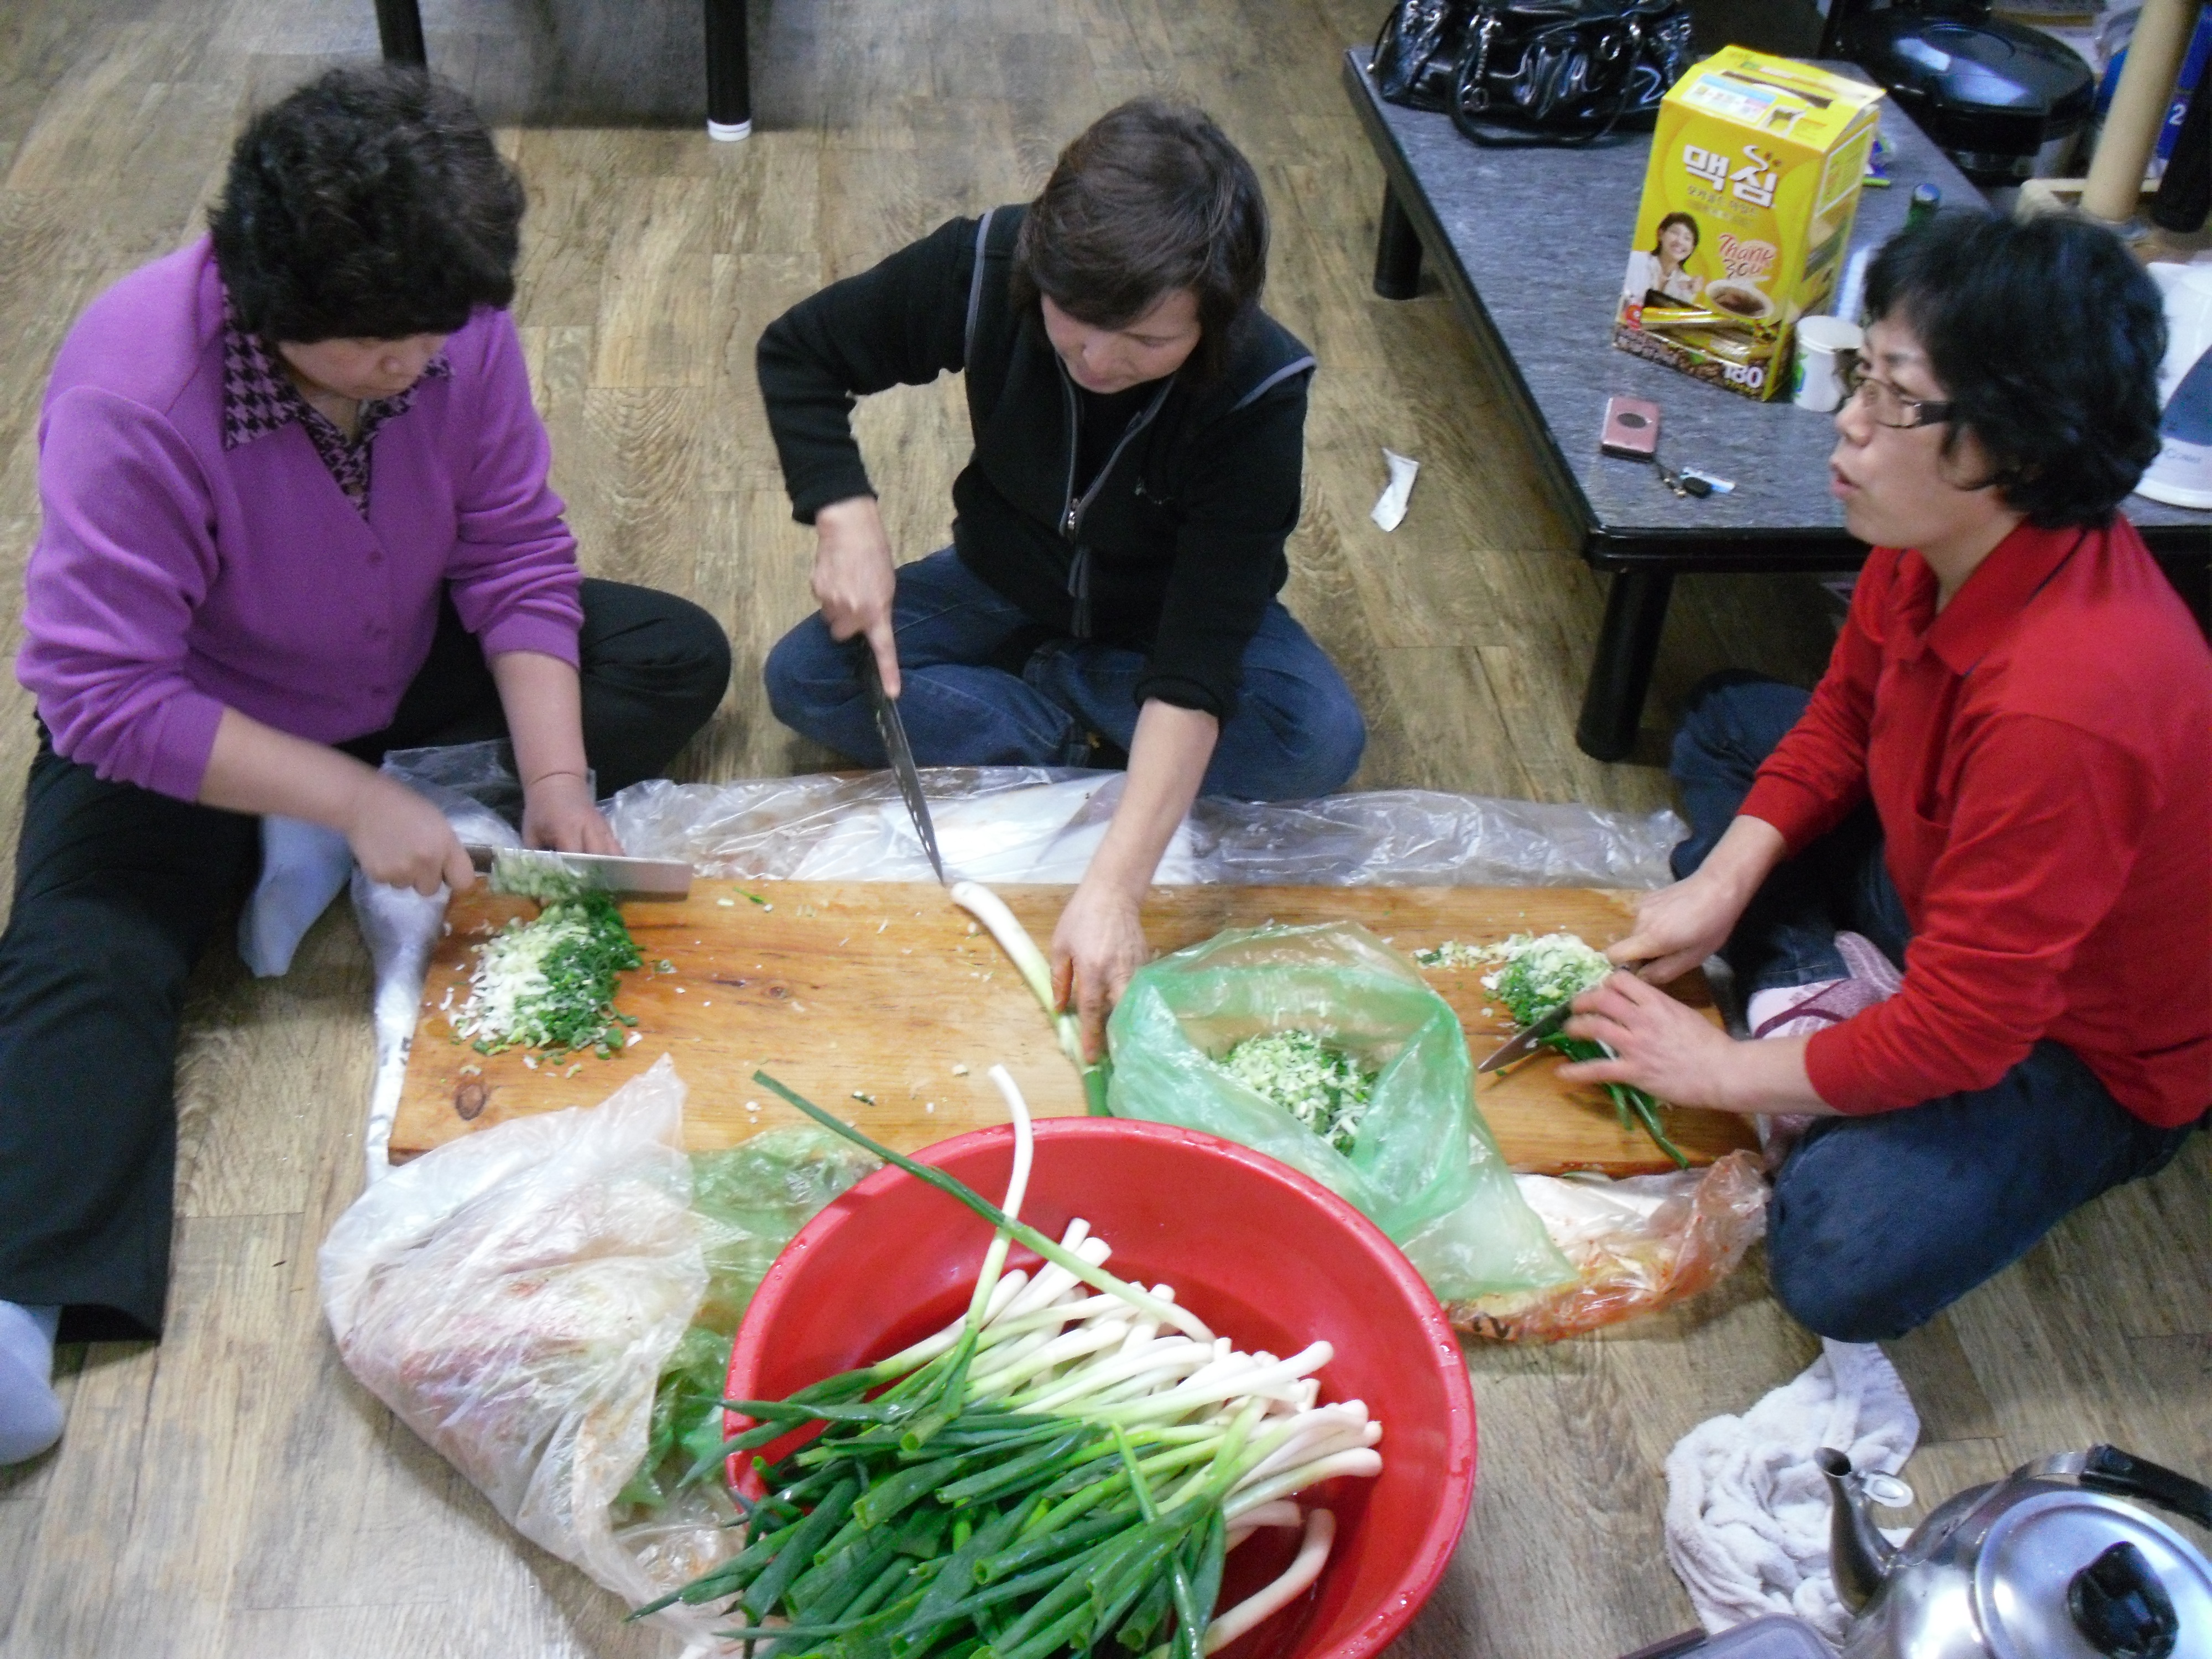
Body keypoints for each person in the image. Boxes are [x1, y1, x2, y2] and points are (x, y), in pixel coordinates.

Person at [0, 66, 732, 1463]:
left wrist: (559, 784)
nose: (422, 362)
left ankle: (320, 822)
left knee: (666, 656)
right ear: (271, 307)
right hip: (198, 712)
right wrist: (352, 794)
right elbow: (98, 692)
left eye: (438, 334)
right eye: (385, 346)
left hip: (394, 658)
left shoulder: (446, 327)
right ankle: (15, 1303)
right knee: (86, 945)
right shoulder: (136, 386)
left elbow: (514, 545)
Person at [1561, 210, 2210, 1343]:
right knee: (1726, 729)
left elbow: (1967, 1031)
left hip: (2073, 1041)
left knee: (1835, 1261)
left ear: (2018, 446)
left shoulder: (2070, 707)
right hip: (1940, 886)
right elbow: (1846, 716)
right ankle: (1817, 976)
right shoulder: (1939, 543)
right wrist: (1722, 884)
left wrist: (1719, 1069)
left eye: (1895, 397)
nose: (1849, 423)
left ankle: (1805, 989)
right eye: (1862, 374)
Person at [757, 100, 1364, 1052]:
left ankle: (1055, 704)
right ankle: (1085, 726)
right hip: (1002, 578)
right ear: (1042, 269)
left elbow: (1198, 662)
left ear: (1216, 320)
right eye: (1074, 323)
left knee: (1313, 743)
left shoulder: (1256, 391)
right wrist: (842, 509)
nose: (1100, 360)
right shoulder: (989, 266)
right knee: (805, 675)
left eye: (1150, 342)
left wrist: (1114, 888)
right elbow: (800, 352)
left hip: (1162, 619)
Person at [1623, 211, 1703, 310]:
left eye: (1687, 238)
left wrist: (1690, 293)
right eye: (1675, 232)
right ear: (1661, 234)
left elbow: (1673, 317)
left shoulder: (1686, 282)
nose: (1680, 241)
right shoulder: (1636, 260)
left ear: (1692, 248)